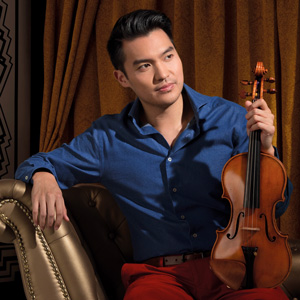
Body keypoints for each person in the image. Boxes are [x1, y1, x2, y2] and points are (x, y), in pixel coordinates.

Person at [16, 9, 293, 300]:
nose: (163, 74)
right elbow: (37, 162)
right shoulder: (106, 138)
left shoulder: (233, 119)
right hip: (158, 279)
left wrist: (265, 149)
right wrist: (42, 175)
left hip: (236, 272)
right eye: (145, 66)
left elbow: (274, 209)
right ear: (122, 78)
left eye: (168, 56)